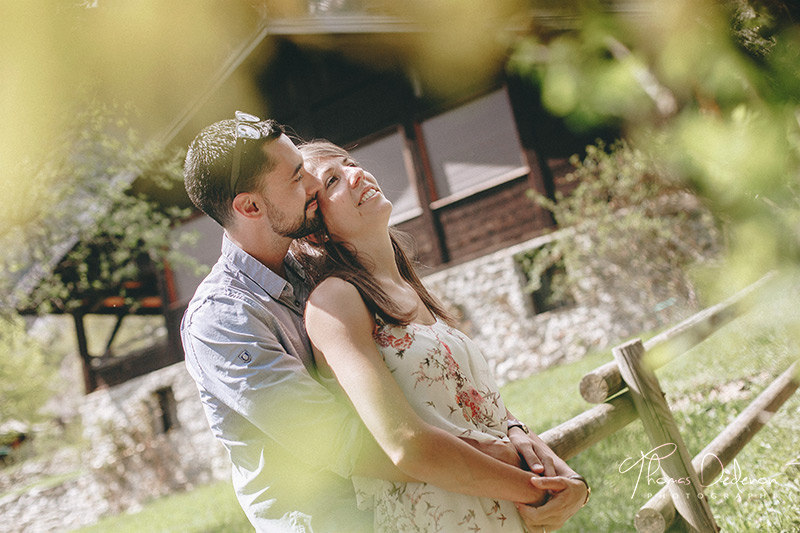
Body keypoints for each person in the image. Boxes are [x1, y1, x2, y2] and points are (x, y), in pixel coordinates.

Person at [181, 112, 587, 532]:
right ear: (250, 206)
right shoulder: (221, 320)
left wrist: (514, 434)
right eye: (297, 177)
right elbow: (339, 440)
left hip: (431, 498)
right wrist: (510, 467)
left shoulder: (319, 269)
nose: (312, 188)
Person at [293, 140, 590, 532]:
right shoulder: (335, 301)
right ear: (316, 234)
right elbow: (406, 445)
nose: (356, 174)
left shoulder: (412, 289)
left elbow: (485, 410)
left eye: (350, 163)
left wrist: (567, 480)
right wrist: (537, 491)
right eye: (332, 180)